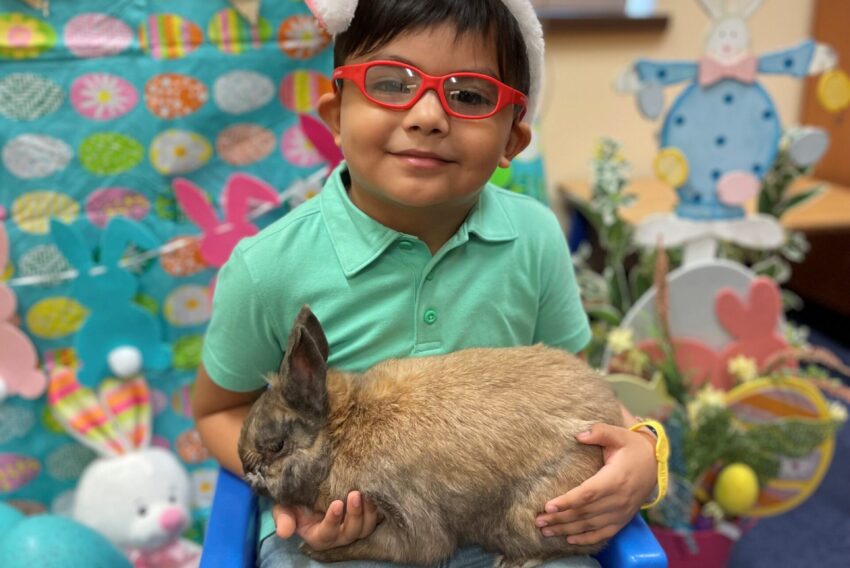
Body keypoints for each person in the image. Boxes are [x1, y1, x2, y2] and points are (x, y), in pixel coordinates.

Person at [192, 1, 660, 566]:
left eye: (468, 95)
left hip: (505, 514)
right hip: (339, 536)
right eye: (391, 83)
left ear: (513, 137)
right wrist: (300, 501)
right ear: (336, 114)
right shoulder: (267, 266)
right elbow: (217, 410)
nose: (428, 116)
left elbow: (574, 391)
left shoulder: (534, 237)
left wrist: (643, 449)